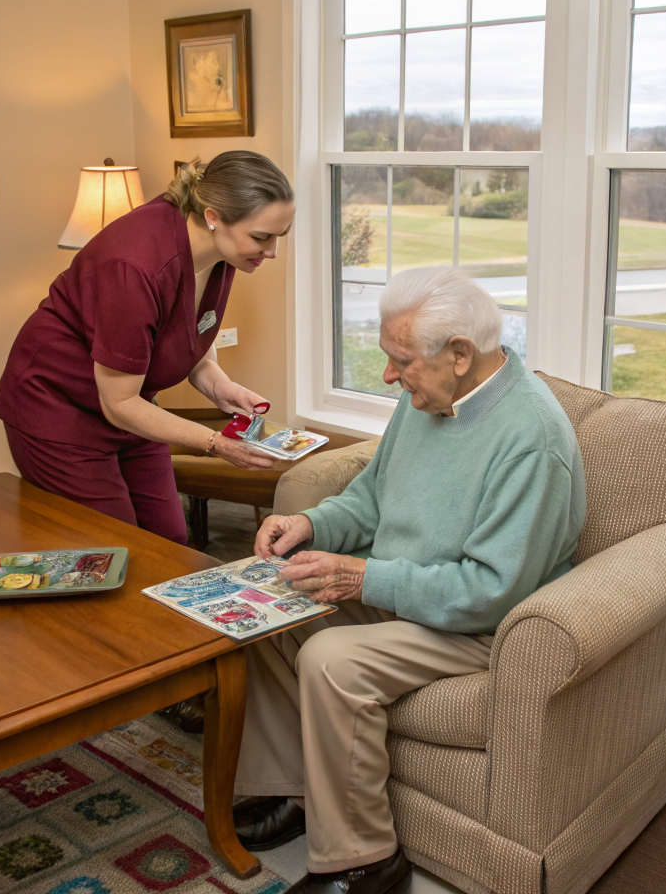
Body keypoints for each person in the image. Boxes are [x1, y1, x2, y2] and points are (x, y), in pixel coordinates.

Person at [233, 266, 587, 894]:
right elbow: (372, 499)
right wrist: (309, 526)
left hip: (480, 621)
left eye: (401, 362)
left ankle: (363, 861)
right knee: (260, 608)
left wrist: (366, 577)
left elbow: (490, 590)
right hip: (406, 588)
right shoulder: (427, 397)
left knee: (331, 659)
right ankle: (292, 790)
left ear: (459, 354)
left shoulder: (532, 438)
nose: (390, 377)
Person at [0, 151, 292, 544]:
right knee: (113, 549)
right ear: (214, 216)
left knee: (167, 538)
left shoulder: (221, 253)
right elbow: (118, 402)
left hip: (132, 404)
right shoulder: (133, 265)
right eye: (262, 237)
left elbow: (191, 337)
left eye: (278, 237)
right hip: (57, 406)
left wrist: (223, 389)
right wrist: (215, 443)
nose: (271, 252)